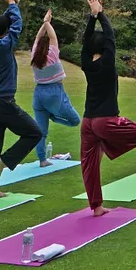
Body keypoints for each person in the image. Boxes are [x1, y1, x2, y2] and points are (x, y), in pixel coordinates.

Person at [79, 0, 136, 216]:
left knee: (89, 166)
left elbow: (86, 40)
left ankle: (96, 207)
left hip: (88, 122)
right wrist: (100, 13)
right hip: (106, 120)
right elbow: (110, 35)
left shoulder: (85, 62)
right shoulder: (108, 62)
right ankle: (107, 146)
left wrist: (93, 17)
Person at [0, 0, 42, 199]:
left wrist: (11, 7)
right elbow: (17, 27)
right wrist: (13, 5)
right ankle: (3, 161)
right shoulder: (5, 45)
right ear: (5, 32)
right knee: (34, 133)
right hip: (4, 103)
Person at [29, 9, 80, 166]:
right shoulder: (52, 54)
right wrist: (47, 22)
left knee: (41, 132)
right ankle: (53, 117)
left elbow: (39, 38)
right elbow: (52, 37)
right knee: (75, 121)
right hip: (54, 93)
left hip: (38, 94)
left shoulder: (34, 55)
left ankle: (42, 160)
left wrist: (44, 24)